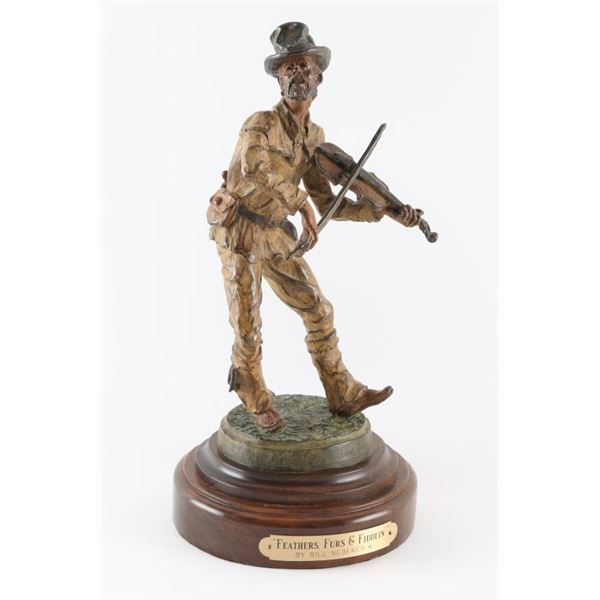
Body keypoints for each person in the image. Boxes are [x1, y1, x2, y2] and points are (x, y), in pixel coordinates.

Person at [207, 22, 421, 430]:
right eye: (288, 68)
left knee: (318, 309)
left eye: (304, 66)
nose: (297, 75)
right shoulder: (260, 123)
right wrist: (299, 202)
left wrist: (378, 210)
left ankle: (343, 393)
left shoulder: (314, 137)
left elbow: (327, 204)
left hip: (275, 234)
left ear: (319, 77)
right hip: (239, 232)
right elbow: (253, 168)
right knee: (248, 325)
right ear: (278, 78)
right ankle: (254, 398)